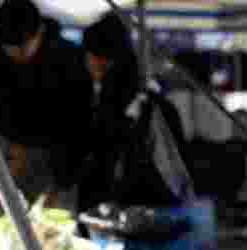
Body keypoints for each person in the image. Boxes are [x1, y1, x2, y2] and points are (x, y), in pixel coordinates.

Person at [0, 0, 92, 208]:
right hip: (11, 157)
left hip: (61, 156)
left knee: (56, 219)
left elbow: (80, 124)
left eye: (23, 47)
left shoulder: (69, 59)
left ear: (40, 32)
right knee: (10, 217)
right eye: (9, 48)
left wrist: (61, 183)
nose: (16, 55)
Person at [76, 14, 192, 221]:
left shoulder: (109, 101)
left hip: (123, 210)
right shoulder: (153, 98)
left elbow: (101, 159)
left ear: (98, 59)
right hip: (165, 207)